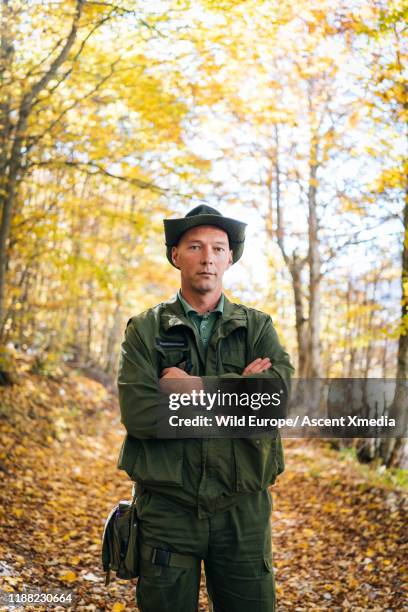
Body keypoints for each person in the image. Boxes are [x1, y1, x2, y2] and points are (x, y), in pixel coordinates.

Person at [117, 205, 294, 612]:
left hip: (243, 509)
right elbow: (142, 415)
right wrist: (241, 396)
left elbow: (278, 402)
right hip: (167, 509)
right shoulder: (145, 329)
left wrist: (190, 388)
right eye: (195, 246)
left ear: (230, 258)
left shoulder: (258, 327)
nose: (207, 257)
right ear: (176, 255)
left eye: (218, 247)